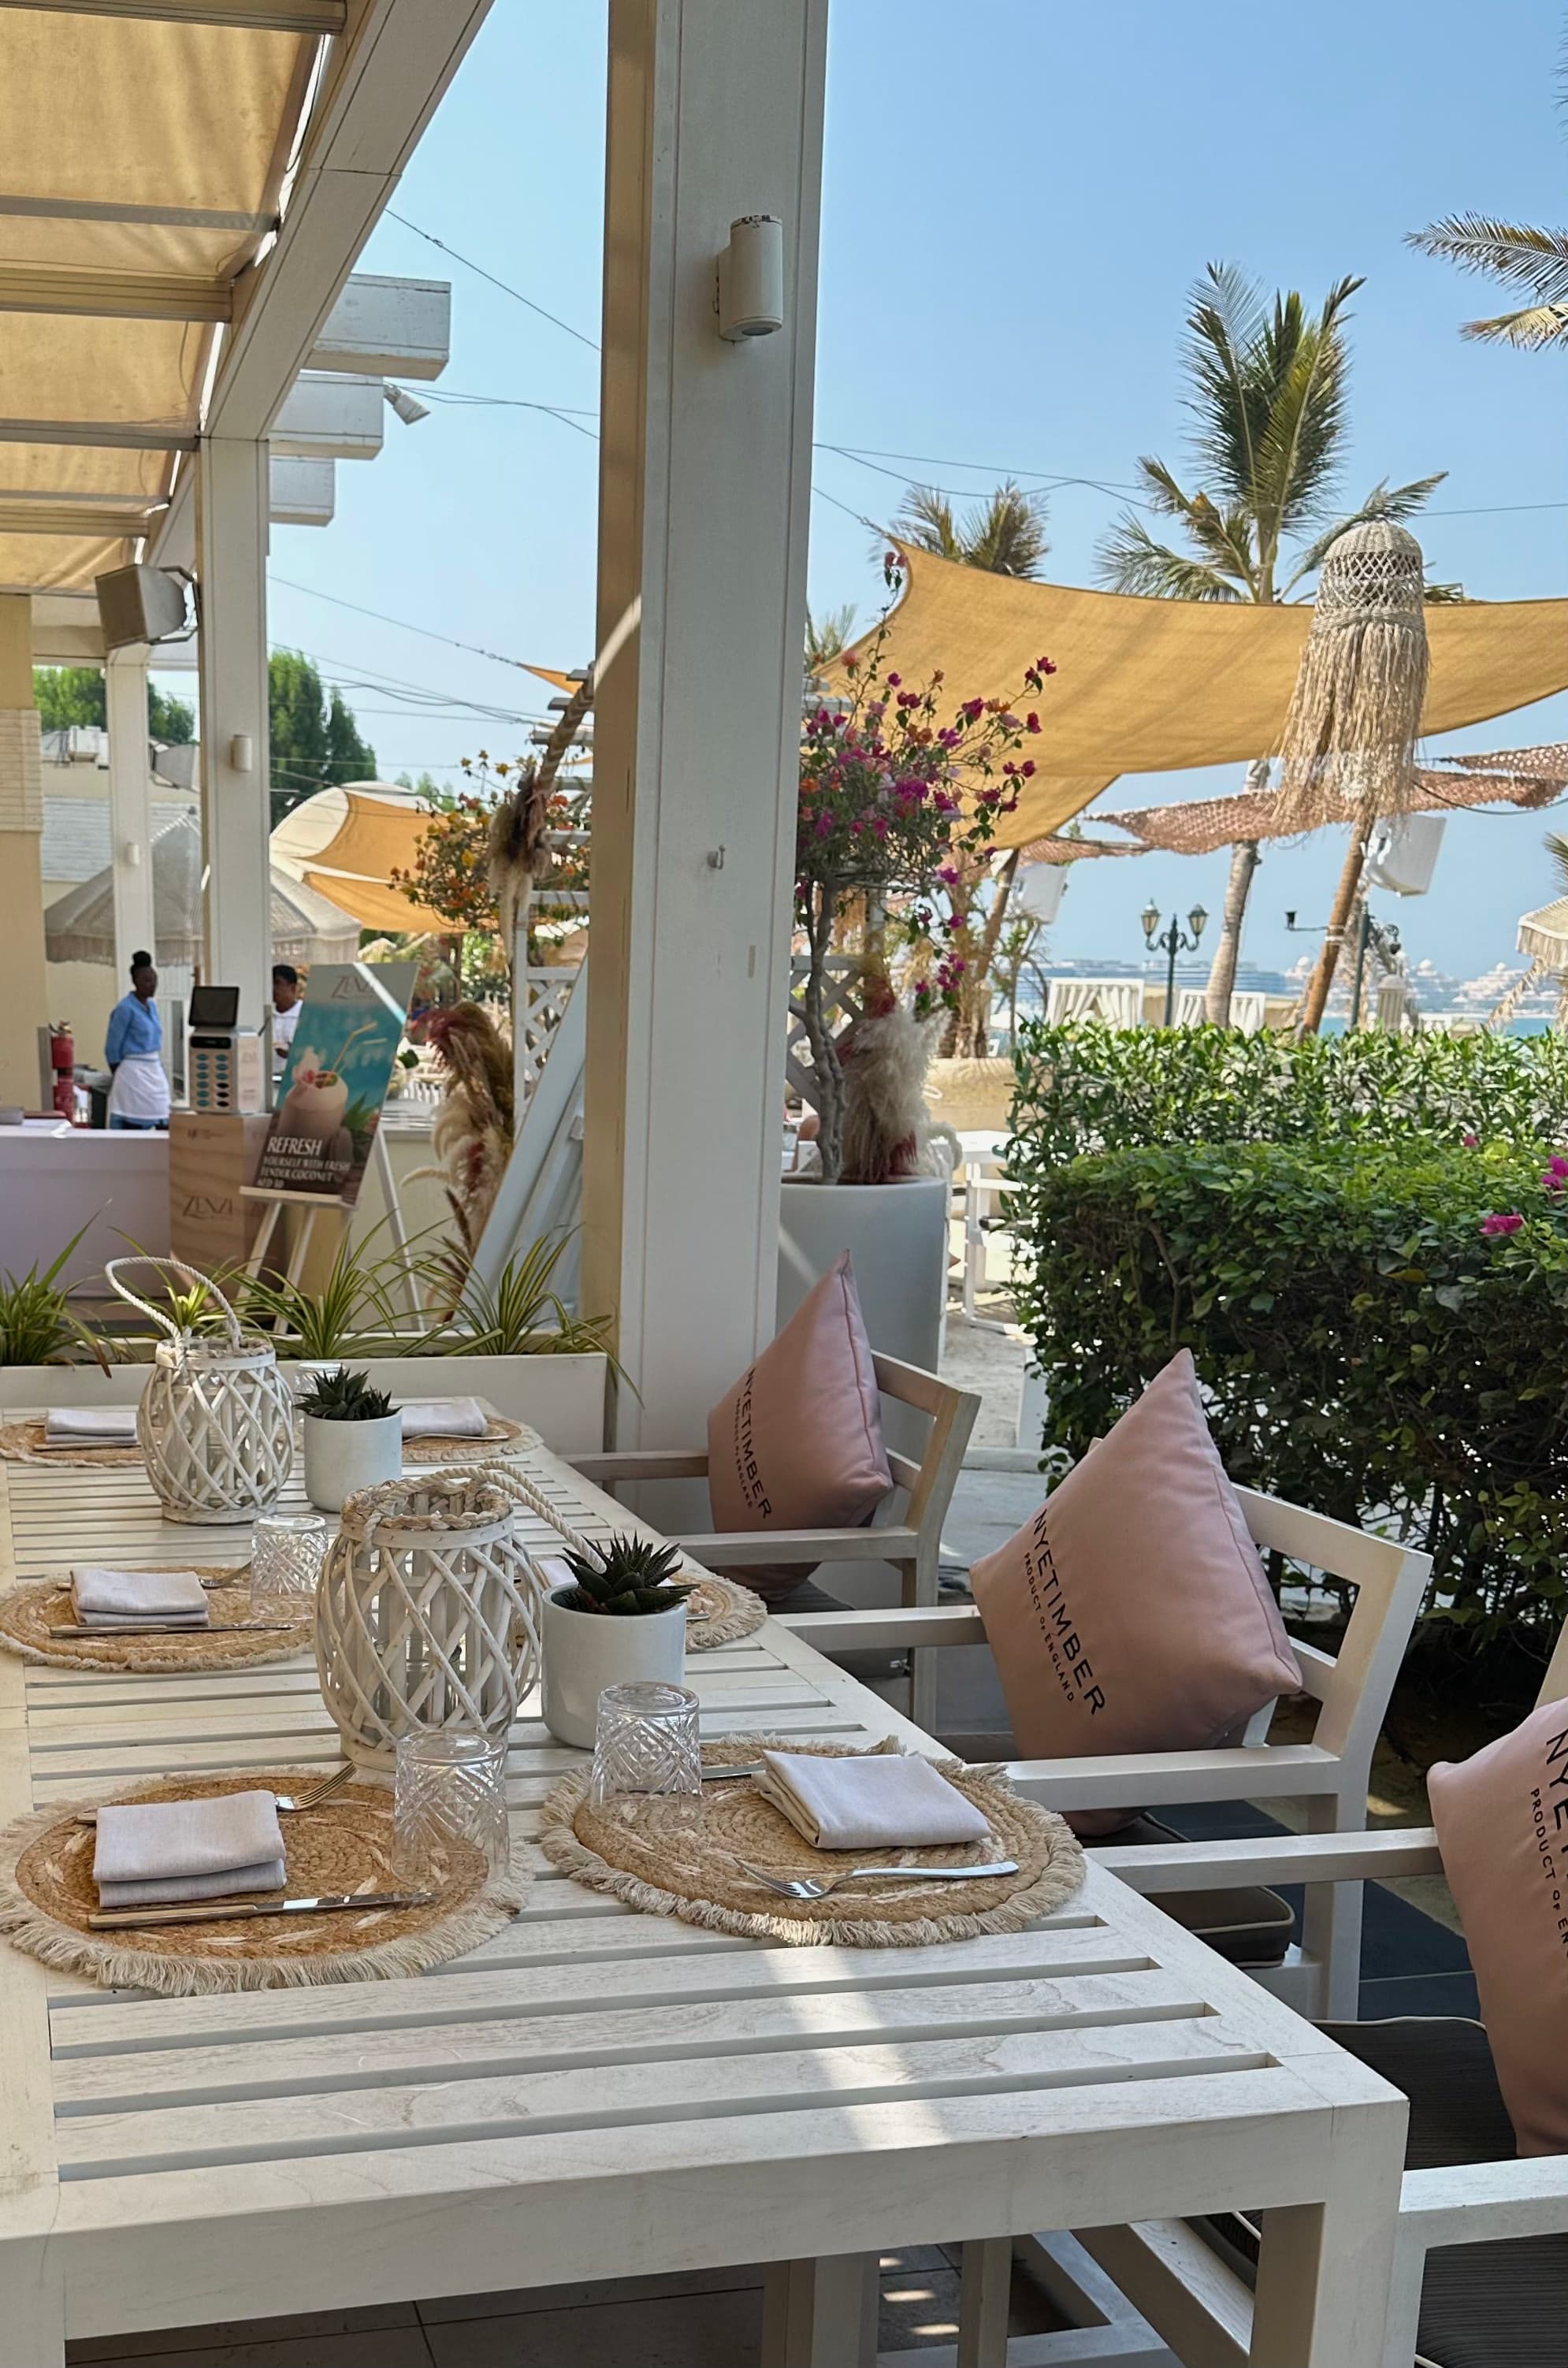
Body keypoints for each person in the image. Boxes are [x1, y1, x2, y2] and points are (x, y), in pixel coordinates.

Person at [105, 951, 170, 1131]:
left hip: (154, 1068)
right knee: (134, 1119)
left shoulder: (152, 1007)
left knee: (163, 1112)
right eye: (147, 980)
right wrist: (121, 1074)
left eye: (154, 979)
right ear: (135, 981)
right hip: (133, 1071)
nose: (152, 984)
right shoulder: (125, 1009)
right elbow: (112, 1047)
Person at [271, 963, 303, 1065]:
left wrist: (292, 1052)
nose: (273, 988)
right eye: (271, 983)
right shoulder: (267, 1015)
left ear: (292, 988)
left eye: (278, 983)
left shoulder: (304, 1014)